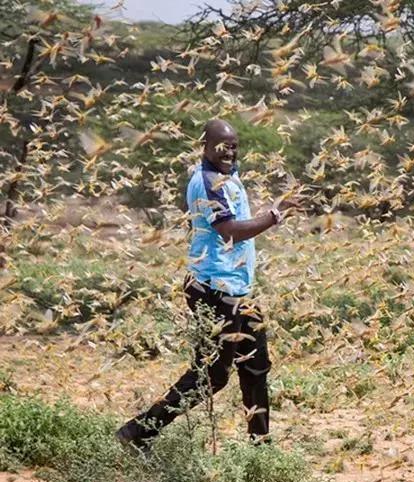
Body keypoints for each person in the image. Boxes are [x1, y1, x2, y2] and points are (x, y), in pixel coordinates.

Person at [116, 119, 305, 450]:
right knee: (212, 375)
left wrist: (277, 207)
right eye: (222, 145)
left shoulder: (228, 177)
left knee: (256, 364)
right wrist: (274, 217)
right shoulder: (207, 182)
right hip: (213, 291)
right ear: (205, 146)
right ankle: (137, 433)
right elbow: (230, 230)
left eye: (234, 145)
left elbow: (239, 223)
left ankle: (260, 447)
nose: (229, 151)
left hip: (235, 291)